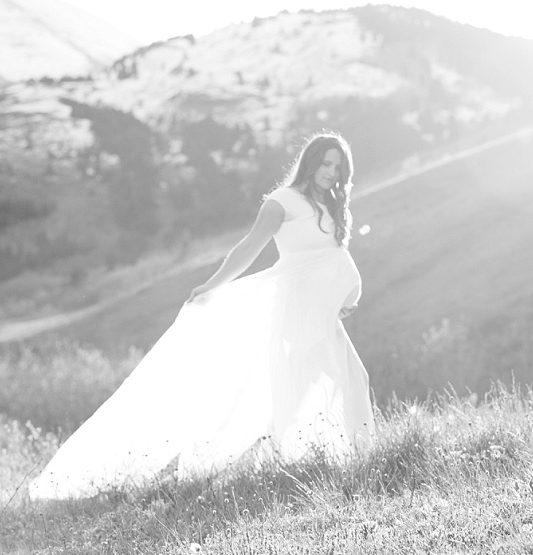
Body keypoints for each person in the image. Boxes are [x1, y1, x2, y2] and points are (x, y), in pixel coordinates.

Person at [28, 132, 376, 500]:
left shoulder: (329, 203)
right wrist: (211, 286)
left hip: (320, 313)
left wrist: (341, 297)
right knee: (352, 379)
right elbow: (248, 249)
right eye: (326, 163)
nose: (331, 172)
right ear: (311, 162)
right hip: (299, 312)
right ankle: (362, 462)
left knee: (303, 391)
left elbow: (326, 261)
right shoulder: (282, 202)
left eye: (338, 167)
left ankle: (289, 463)